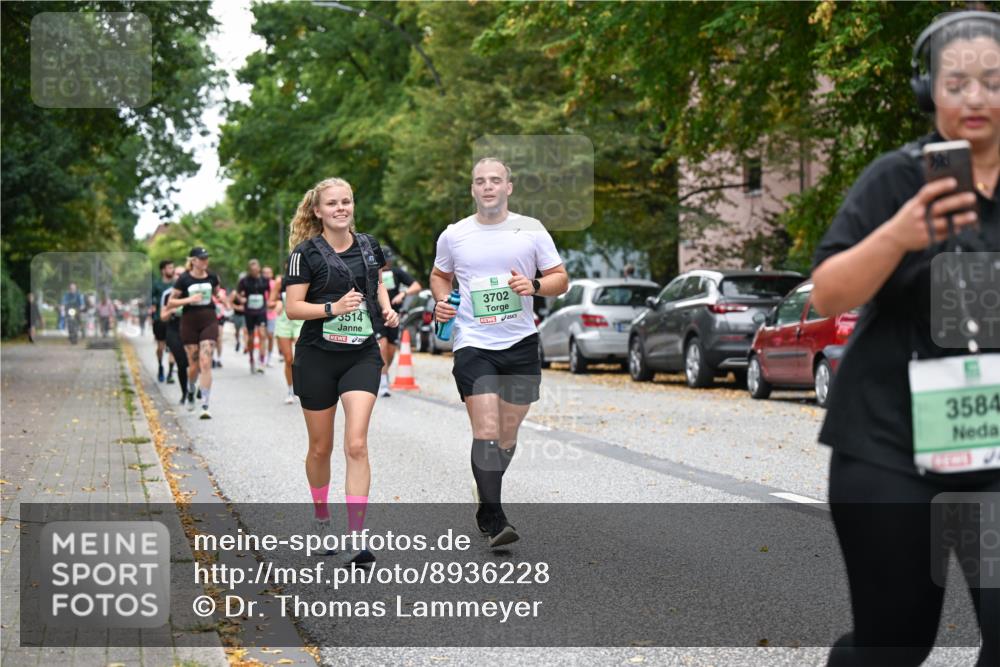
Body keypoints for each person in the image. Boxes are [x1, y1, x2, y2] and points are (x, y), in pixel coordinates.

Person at [811, 12, 999, 666]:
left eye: (993, 81)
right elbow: (827, 293)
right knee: (894, 644)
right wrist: (898, 235)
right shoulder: (898, 179)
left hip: (992, 454)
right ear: (931, 94)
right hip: (888, 447)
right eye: (957, 82)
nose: (975, 97)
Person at [431, 157, 568, 548]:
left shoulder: (531, 230)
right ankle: (495, 518)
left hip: (521, 342)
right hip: (474, 342)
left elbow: (561, 279)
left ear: (509, 186)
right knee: (487, 430)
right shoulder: (455, 235)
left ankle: (485, 498)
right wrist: (443, 300)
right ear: (472, 189)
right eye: (480, 181)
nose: (488, 186)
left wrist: (535, 285)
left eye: (495, 180)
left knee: (506, 435)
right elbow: (440, 275)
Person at [284, 177, 398, 566]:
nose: (340, 208)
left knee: (356, 443)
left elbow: (377, 281)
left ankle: (357, 536)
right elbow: (293, 308)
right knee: (320, 447)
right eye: (332, 203)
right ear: (317, 210)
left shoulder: (368, 245)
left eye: (346, 201)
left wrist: (384, 306)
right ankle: (320, 518)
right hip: (317, 355)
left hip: (361, 354)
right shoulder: (304, 254)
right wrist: (332, 309)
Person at [168, 247, 221, 420]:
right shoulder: (183, 279)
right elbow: (171, 303)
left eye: (207, 258)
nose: (205, 261)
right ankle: (191, 389)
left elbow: (217, 293)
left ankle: (205, 405)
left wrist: (221, 299)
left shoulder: (212, 277)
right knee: (194, 365)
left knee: (206, 362)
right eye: (202, 258)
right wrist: (189, 300)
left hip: (209, 320)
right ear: (193, 261)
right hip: (189, 323)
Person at [375, 247, 422, 396]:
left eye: (389, 260)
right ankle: (382, 384)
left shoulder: (396, 272)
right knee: (381, 346)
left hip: (393, 315)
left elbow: (417, 285)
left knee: (390, 349)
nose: (387, 263)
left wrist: (403, 293)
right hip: (376, 315)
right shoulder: (372, 272)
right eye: (384, 260)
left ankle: (384, 374)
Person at [270, 259, 304, 404]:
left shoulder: (303, 279)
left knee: (301, 357)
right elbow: (270, 302)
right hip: (284, 321)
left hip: (299, 320)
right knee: (288, 359)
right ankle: (290, 391)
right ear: (285, 266)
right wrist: (276, 303)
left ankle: (303, 387)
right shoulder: (281, 282)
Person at [159, 269, 190, 406]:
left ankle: (197, 386)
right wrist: (172, 310)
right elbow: (163, 317)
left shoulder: (191, 292)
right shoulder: (167, 295)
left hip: (190, 329)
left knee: (196, 360)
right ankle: (185, 393)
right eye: (177, 275)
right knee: (182, 363)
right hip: (174, 330)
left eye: (182, 274)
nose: (179, 277)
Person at [236, 260, 270, 374]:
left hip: (261, 311)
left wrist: (270, 302)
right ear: (249, 271)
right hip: (249, 312)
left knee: (262, 334)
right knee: (250, 337)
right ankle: (251, 357)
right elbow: (237, 292)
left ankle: (261, 361)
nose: (255, 272)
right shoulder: (244, 281)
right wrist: (241, 299)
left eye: (256, 270)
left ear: (259, 269)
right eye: (252, 270)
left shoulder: (264, 280)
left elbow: (270, 292)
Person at [151, 260, 176, 383]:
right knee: (160, 347)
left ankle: (170, 373)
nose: (172, 269)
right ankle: (160, 366)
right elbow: (152, 303)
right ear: (163, 270)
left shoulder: (177, 284)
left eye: (173, 267)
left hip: (174, 320)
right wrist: (154, 316)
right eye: (169, 267)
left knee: (173, 347)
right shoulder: (156, 285)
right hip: (160, 320)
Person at [263, 265, 279, 367]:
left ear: (272, 274)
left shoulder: (274, 284)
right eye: (265, 272)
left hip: (271, 313)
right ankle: (262, 357)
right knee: (262, 336)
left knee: (270, 336)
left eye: (269, 272)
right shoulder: (259, 283)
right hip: (261, 313)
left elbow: (278, 298)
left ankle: (269, 357)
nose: (267, 274)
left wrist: (272, 305)